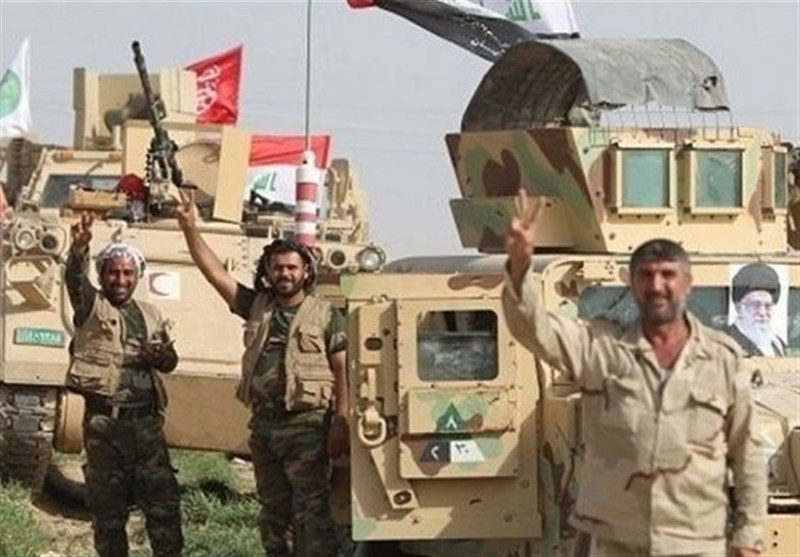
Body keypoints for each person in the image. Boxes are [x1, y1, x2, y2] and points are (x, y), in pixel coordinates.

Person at [502, 190, 765, 557]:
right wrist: (519, 268)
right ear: (632, 284)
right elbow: (534, 330)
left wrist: (749, 533)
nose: (656, 286)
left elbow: (747, 451)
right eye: (646, 275)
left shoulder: (722, 359)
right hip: (617, 540)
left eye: (668, 275)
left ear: (687, 283)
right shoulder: (599, 349)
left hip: (696, 540)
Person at [175, 189, 348, 557]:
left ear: (305, 272)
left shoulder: (325, 314)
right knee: (273, 515)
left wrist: (341, 420)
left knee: (311, 512)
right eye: (278, 268)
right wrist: (190, 229)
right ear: (268, 272)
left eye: (291, 268)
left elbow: (342, 367)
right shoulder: (257, 305)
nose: (285, 274)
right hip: (265, 427)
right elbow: (214, 273)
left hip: (308, 426)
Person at [64, 213, 183, 557]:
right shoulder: (92, 307)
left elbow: (171, 362)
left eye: (128, 273)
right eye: (113, 272)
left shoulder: (150, 313)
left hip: (146, 427)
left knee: (164, 509)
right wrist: (79, 248)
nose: (120, 279)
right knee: (108, 515)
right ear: (102, 275)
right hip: (105, 428)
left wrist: (161, 356)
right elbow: (75, 280)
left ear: (137, 276)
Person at [725, 263, 787, 357]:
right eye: (755, 305)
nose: (762, 313)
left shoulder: (777, 344)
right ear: (738, 307)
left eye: (767, 306)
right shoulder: (726, 343)